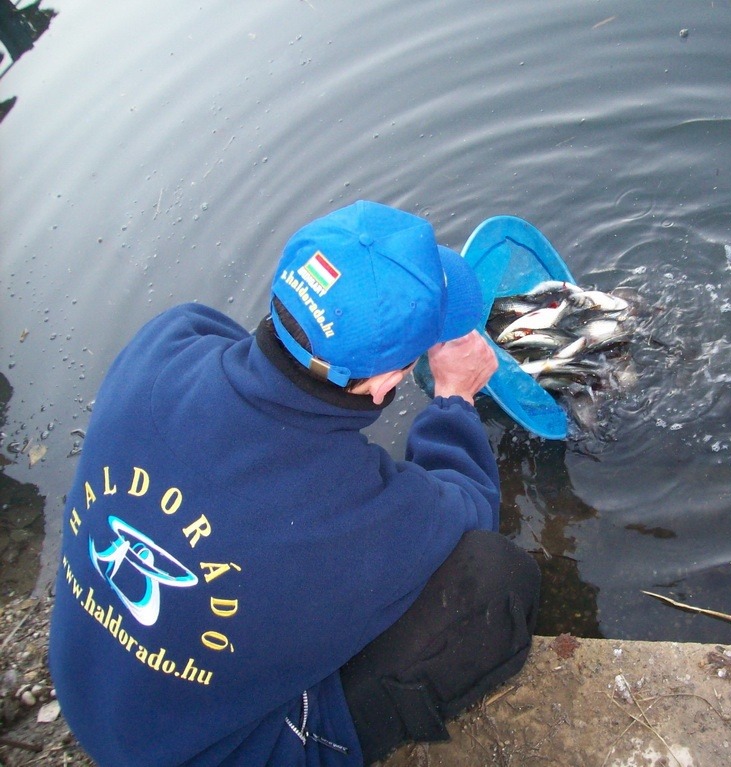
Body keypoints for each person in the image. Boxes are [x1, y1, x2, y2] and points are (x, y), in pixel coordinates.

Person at [49, 200, 541, 766]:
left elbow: (236, 355)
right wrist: (454, 399)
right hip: (205, 754)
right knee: (495, 576)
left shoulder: (163, 342)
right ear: (384, 384)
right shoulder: (356, 511)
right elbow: (472, 505)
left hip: (87, 690)